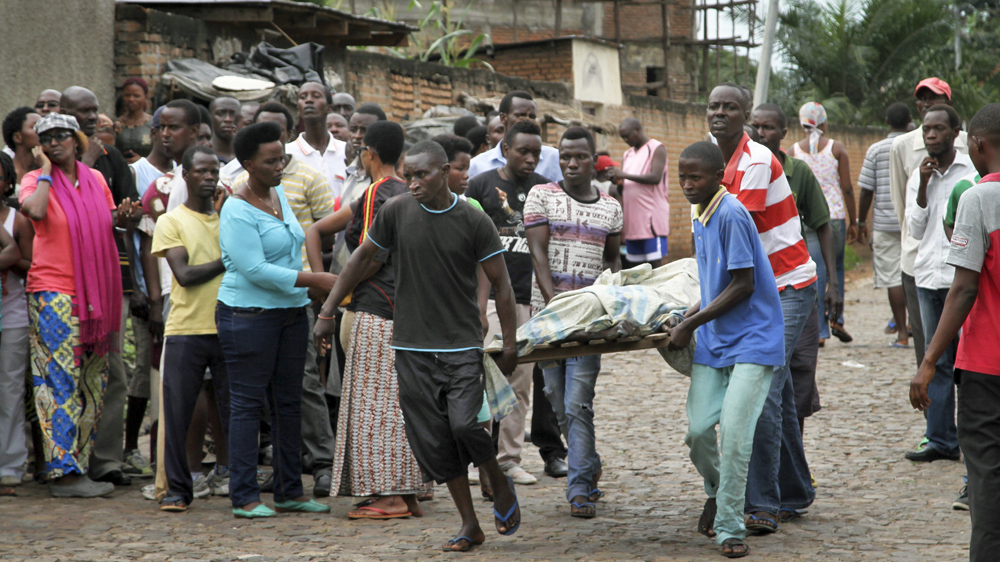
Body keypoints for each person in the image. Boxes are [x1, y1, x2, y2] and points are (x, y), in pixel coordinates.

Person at [314, 140, 522, 552]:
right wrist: (328, 310)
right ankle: (469, 525)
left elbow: (501, 283)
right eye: (408, 175)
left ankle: (496, 478)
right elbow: (359, 259)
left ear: (445, 172)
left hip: (461, 344)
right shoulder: (396, 212)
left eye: (421, 175)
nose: (412, 183)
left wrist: (510, 341)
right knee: (434, 440)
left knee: (465, 424)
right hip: (409, 347)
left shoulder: (472, 218)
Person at [706, 83, 823, 533]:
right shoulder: (714, 163)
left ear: (746, 119)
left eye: (730, 107)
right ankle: (794, 492)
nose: (720, 113)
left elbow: (738, 237)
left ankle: (763, 503)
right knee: (780, 392)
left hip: (787, 285)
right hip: (757, 286)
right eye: (713, 106)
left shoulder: (753, 161)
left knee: (763, 389)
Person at [305, 120, 426, 519]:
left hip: (377, 310)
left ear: (369, 154)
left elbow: (369, 257)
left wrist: (332, 296)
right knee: (399, 405)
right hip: (409, 311)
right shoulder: (412, 193)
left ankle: (389, 496)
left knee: (374, 407)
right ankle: (405, 493)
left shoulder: (376, 192)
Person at [670, 141, 784, 559]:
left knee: (736, 437)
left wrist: (689, 325)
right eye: (682, 176)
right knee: (698, 432)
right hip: (716, 340)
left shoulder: (732, 213)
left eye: (695, 176)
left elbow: (743, 284)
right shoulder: (700, 213)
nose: (687, 184)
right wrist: (689, 312)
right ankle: (718, 492)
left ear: (720, 175)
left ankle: (730, 527)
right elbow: (711, 280)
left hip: (754, 339)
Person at [217, 121, 336, 518]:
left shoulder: (279, 194)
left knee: (290, 403)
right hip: (247, 316)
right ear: (247, 164)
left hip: (289, 312)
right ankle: (245, 496)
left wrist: (308, 290)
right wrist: (314, 279)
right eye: (270, 161)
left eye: (282, 157)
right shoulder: (236, 208)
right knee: (248, 405)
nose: (279, 165)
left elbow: (294, 245)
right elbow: (254, 269)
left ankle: (289, 491)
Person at [20, 113, 138, 497]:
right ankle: (63, 474)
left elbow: (105, 226)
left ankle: (79, 466)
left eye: (62, 137)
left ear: (77, 140)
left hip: (94, 296)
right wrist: (43, 171)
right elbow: (35, 212)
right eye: (47, 138)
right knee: (57, 381)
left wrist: (122, 220)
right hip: (53, 291)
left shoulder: (97, 180)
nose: (55, 143)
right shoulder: (34, 181)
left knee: (92, 380)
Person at [908, 102, 1000, 562]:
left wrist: (927, 362)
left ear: (979, 144)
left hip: (987, 367)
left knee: (986, 476)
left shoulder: (979, 198)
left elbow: (963, 289)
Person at [524, 127, 623, 518]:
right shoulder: (542, 196)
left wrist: (608, 298)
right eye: (565, 156)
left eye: (579, 156)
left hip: (590, 322)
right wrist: (557, 306)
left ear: (593, 159)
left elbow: (613, 258)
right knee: (556, 400)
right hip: (548, 320)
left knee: (578, 402)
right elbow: (537, 252)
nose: (570, 163)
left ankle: (579, 487)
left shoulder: (610, 206)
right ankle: (590, 464)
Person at [468, 121, 559, 487]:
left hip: (527, 298)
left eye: (536, 153)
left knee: (520, 381)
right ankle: (479, 461)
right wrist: (477, 303)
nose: (530, 158)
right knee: (482, 376)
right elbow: (471, 246)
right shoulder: (482, 185)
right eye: (523, 151)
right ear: (505, 148)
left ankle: (509, 459)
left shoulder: (544, 189)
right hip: (490, 297)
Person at [61, 85, 141, 489]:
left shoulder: (114, 161)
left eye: (95, 111)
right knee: (65, 375)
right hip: (62, 283)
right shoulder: (49, 164)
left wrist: (128, 216)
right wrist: (85, 158)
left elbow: (126, 219)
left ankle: (105, 459)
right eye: (81, 112)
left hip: (111, 281)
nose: (91, 118)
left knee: (113, 374)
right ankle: (62, 461)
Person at [750, 103, 840, 437]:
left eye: (768, 127)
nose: (761, 133)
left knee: (799, 370)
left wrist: (832, 283)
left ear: (784, 133)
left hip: (794, 284)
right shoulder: (738, 171)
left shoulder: (798, 172)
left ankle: (795, 456)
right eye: (755, 126)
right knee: (766, 372)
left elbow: (822, 225)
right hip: (756, 287)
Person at [152, 145, 231, 512]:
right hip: (186, 329)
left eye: (213, 171)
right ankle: (177, 491)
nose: (208, 177)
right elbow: (183, 275)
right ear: (186, 175)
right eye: (200, 171)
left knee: (235, 412)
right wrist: (229, 258)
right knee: (179, 413)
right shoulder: (172, 221)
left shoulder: (229, 219)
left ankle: (239, 482)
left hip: (229, 327)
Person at [904, 104, 974, 467]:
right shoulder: (921, 175)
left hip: (962, 280)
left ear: (955, 133)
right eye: (926, 129)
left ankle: (976, 440)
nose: (930, 135)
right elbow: (915, 229)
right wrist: (923, 187)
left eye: (937, 129)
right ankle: (940, 439)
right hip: (928, 278)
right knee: (935, 361)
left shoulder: (973, 170)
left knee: (972, 365)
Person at [890, 78, 969, 391]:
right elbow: (905, 211)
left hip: (958, 273)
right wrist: (922, 184)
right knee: (930, 355)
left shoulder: (970, 160)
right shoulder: (904, 147)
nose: (926, 104)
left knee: (965, 358)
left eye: (934, 98)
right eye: (921, 99)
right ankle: (937, 435)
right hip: (920, 264)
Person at [788, 102, 857, 344]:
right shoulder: (836, 148)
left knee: (816, 271)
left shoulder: (792, 151)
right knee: (836, 268)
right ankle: (837, 319)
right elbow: (847, 188)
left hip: (807, 217)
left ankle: (819, 330)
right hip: (835, 216)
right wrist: (855, 220)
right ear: (824, 123)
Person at [856, 102, 912, 347]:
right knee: (913, 275)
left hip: (884, 223)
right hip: (912, 221)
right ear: (910, 120)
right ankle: (915, 327)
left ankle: (901, 334)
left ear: (887, 122)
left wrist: (860, 222)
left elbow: (867, 190)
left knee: (892, 278)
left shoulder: (875, 150)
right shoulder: (915, 146)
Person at [0, 152, 32, 491]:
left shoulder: (17, 220)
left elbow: (30, 263)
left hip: (11, 314)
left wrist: (9, 261)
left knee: (9, 389)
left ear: (9, 182)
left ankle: (10, 462)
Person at [606, 117, 670, 268]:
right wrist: (618, 181)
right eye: (622, 137)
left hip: (651, 222)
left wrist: (624, 175)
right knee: (635, 269)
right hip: (632, 223)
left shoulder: (656, 148)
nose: (625, 139)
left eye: (627, 135)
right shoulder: (627, 154)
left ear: (638, 130)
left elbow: (655, 177)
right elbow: (626, 187)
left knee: (655, 268)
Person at [468, 90, 562, 182]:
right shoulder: (477, 165)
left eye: (532, 116)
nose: (527, 120)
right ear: (503, 118)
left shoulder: (552, 158)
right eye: (521, 115)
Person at [286, 82, 349, 198]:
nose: (308, 100)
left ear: (329, 108)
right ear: (298, 110)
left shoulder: (346, 151)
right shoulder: (287, 154)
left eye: (316, 96)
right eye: (303, 97)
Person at [116, 77, 153, 163]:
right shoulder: (117, 124)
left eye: (136, 96)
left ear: (145, 97)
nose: (131, 99)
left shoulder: (153, 124)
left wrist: (142, 161)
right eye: (127, 95)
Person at [432, 134, 476, 202]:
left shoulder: (472, 206)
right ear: (443, 169)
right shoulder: (414, 204)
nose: (466, 176)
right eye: (460, 169)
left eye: (467, 169)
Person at [2, 107, 41, 183]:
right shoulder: (4, 174)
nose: (43, 131)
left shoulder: (49, 170)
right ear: (17, 137)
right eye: (36, 127)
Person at [209, 96, 240, 163]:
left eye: (233, 113)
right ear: (210, 116)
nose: (228, 119)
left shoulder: (247, 155)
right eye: (220, 113)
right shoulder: (201, 153)